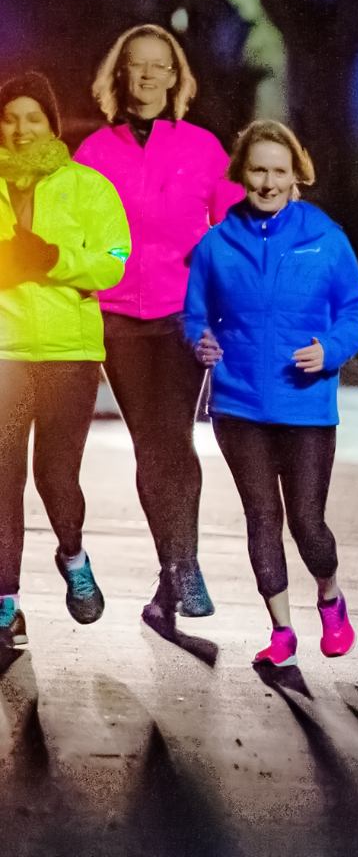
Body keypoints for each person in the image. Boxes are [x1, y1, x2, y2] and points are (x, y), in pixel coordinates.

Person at [75, 24, 244, 630]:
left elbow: (230, 234)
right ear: (120, 75)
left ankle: (184, 567)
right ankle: (172, 577)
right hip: (116, 318)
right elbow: (78, 234)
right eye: (136, 66)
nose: (146, 76)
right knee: (150, 442)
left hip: (182, 314)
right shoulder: (93, 153)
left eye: (158, 67)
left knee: (174, 437)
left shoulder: (203, 148)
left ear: (176, 78)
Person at [184, 119, 358, 667]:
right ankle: (283, 630)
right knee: (261, 517)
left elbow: (356, 308)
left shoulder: (326, 239)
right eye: (258, 170)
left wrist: (331, 350)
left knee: (307, 522)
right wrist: (202, 339)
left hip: (306, 404)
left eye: (279, 171)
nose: (268, 182)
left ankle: (331, 598)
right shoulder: (216, 244)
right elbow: (196, 313)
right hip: (238, 405)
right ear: (242, 173)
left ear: (296, 176)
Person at [0, 72, 130, 646]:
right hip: (4, 351)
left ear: (52, 124)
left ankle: (73, 557)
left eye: (34, 118)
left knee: (55, 477)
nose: (22, 129)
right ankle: (6, 603)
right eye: (10, 118)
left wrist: (51, 257)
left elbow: (115, 260)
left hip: (68, 354)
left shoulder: (88, 187)